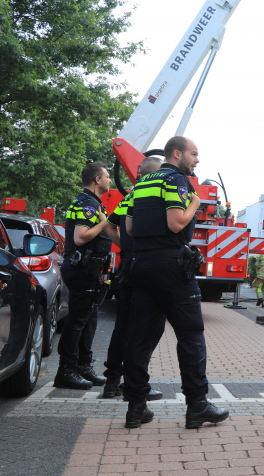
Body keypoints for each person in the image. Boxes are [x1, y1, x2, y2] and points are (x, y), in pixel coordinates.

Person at [122, 136, 229, 429]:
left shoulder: (141, 184)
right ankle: (197, 405)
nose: (197, 160)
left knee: (140, 337)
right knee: (191, 336)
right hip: (171, 268)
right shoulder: (178, 180)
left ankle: (136, 407)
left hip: (141, 266)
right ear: (177, 153)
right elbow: (176, 223)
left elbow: (129, 227)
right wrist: (195, 202)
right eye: (194, 154)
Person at [101, 156, 165, 400]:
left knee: (123, 326)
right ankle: (136, 384)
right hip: (146, 266)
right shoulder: (154, 195)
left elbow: (109, 225)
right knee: (149, 328)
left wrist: (124, 249)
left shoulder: (130, 196)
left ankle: (112, 383)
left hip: (127, 267)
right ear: (155, 174)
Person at [54, 162, 117, 390]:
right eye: (108, 177)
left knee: (89, 319)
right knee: (79, 319)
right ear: (97, 180)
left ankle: (83, 365)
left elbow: (106, 233)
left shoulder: (94, 204)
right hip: (81, 269)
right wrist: (103, 223)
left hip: (89, 270)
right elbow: (81, 238)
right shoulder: (86, 205)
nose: (111, 180)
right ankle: (66, 370)